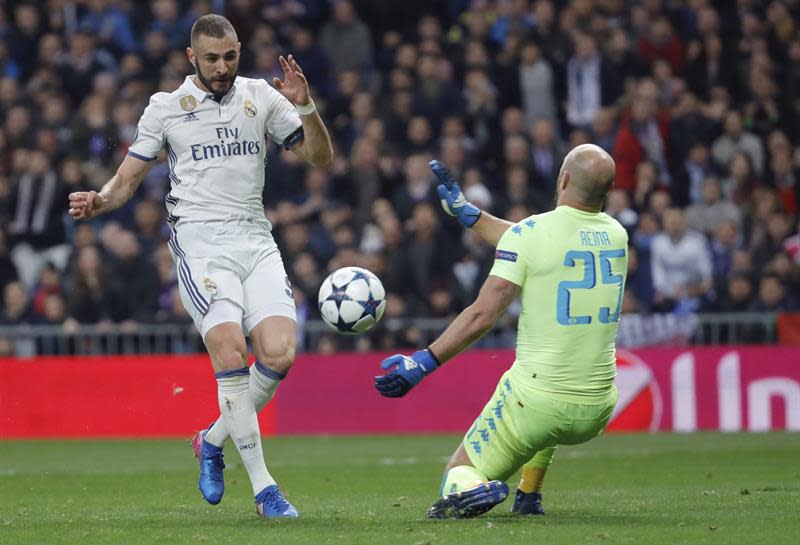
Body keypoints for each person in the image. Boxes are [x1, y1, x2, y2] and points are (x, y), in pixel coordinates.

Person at [67, 14, 333, 518]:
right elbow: (125, 182)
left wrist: (306, 105)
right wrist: (100, 201)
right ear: (192, 57)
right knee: (231, 351)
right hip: (200, 243)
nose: (222, 67)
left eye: (230, 56)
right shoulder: (166, 108)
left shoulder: (261, 96)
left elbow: (321, 157)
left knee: (279, 356)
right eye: (211, 58)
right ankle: (264, 490)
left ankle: (210, 441)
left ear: (239, 50)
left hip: (255, 238)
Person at [375, 145, 627, 519]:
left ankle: (474, 487)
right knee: (549, 413)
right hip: (599, 407)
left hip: (537, 403)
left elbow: (483, 314)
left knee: (458, 474)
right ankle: (529, 494)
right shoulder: (617, 235)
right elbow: (533, 240)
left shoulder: (534, 234)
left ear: (565, 179)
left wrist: (423, 363)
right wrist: (470, 215)